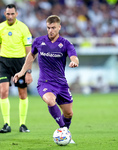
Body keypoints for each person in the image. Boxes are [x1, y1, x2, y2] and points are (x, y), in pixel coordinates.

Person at [13, 15, 79, 143]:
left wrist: (74, 62)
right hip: (45, 82)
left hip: (61, 84)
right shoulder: (39, 41)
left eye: (53, 28)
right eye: (48, 28)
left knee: (68, 114)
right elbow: (31, 56)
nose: (50, 30)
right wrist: (22, 72)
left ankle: (66, 132)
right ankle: (64, 130)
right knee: (50, 100)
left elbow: (74, 56)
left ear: (59, 27)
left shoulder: (65, 43)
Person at [0, 4, 33, 133]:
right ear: (4, 14)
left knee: (22, 94)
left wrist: (28, 71)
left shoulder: (23, 28)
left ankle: (22, 124)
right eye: (8, 14)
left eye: (12, 14)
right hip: (4, 63)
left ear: (16, 14)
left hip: (20, 64)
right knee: (3, 92)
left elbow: (29, 52)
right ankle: (6, 124)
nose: (10, 16)